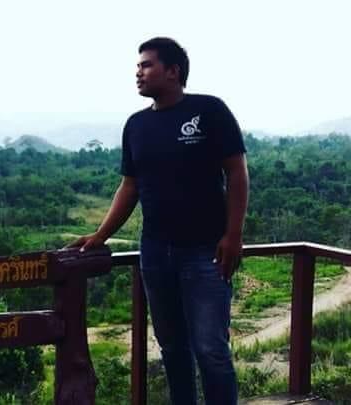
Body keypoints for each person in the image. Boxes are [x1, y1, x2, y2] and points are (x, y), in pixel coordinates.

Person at [68, 37, 249, 405]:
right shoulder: (136, 125)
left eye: (147, 65)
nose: (138, 72)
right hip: (155, 252)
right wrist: (101, 235)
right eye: (138, 66)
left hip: (205, 251)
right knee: (172, 348)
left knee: (211, 349)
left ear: (173, 71)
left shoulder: (209, 110)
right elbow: (130, 186)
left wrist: (233, 235)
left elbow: (237, 172)